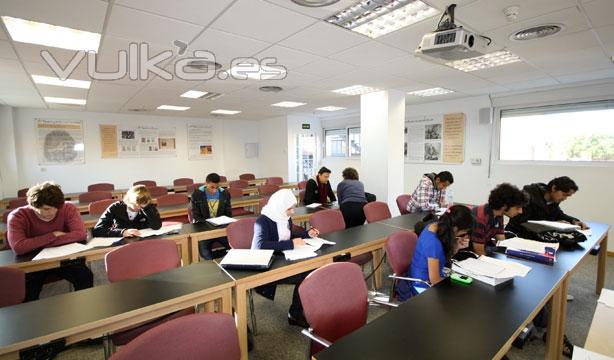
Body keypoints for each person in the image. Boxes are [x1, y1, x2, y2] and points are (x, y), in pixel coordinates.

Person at [6, 182, 93, 301]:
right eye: (46, 209)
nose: (52, 212)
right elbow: (19, 247)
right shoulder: (18, 216)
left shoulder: (67, 207)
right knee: (28, 291)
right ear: (33, 206)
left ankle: (86, 309)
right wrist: (53, 235)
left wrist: (33, 243)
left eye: (56, 208)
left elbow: (80, 234)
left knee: (85, 276)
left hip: (63, 257)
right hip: (33, 262)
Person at [251, 189, 320, 328]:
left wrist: (307, 234)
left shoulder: (284, 216)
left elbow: (287, 237)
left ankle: (297, 311)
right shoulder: (262, 221)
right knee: (305, 275)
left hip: (282, 257)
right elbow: (260, 246)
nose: (292, 212)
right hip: (267, 263)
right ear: (280, 206)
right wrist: (290, 244)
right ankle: (295, 313)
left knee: (312, 270)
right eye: (290, 209)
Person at [396, 205, 473, 301]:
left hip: (429, 277)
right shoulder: (433, 242)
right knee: (459, 299)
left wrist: (456, 247)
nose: (463, 235)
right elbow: (434, 280)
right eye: (463, 233)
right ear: (455, 228)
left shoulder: (435, 226)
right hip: (422, 285)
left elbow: (441, 259)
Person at [506, 176, 588, 239]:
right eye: (564, 194)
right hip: (517, 235)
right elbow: (524, 223)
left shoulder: (553, 201)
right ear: (554, 188)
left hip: (537, 236)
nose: (564, 198)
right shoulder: (528, 196)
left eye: (567, 196)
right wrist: (554, 225)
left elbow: (558, 214)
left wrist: (574, 221)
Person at [471, 183, 528, 255]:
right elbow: (479, 252)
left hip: (485, 247)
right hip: (472, 253)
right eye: (517, 207)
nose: (520, 211)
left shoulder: (499, 214)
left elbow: (501, 240)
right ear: (504, 206)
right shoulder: (480, 218)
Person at [92, 185, 161, 238]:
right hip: (122, 243)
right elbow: (97, 230)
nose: (140, 207)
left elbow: (156, 226)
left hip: (142, 241)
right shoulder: (116, 207)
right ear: (129, 200)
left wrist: (146, 208)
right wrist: (122, 232)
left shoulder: (147, 207)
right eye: (137, 205)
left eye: (143, 204)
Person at [190, 173, 232, 259]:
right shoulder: (197, 194)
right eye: (212, 187)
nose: (214, 190)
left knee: (234, 247)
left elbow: (228, 214)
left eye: (217, 187)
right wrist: (209, 224)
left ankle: (223, 260)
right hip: (204, 229)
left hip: (220, 228)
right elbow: (196, 216)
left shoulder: (225, 193)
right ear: (206, 183)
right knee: (204, 253)